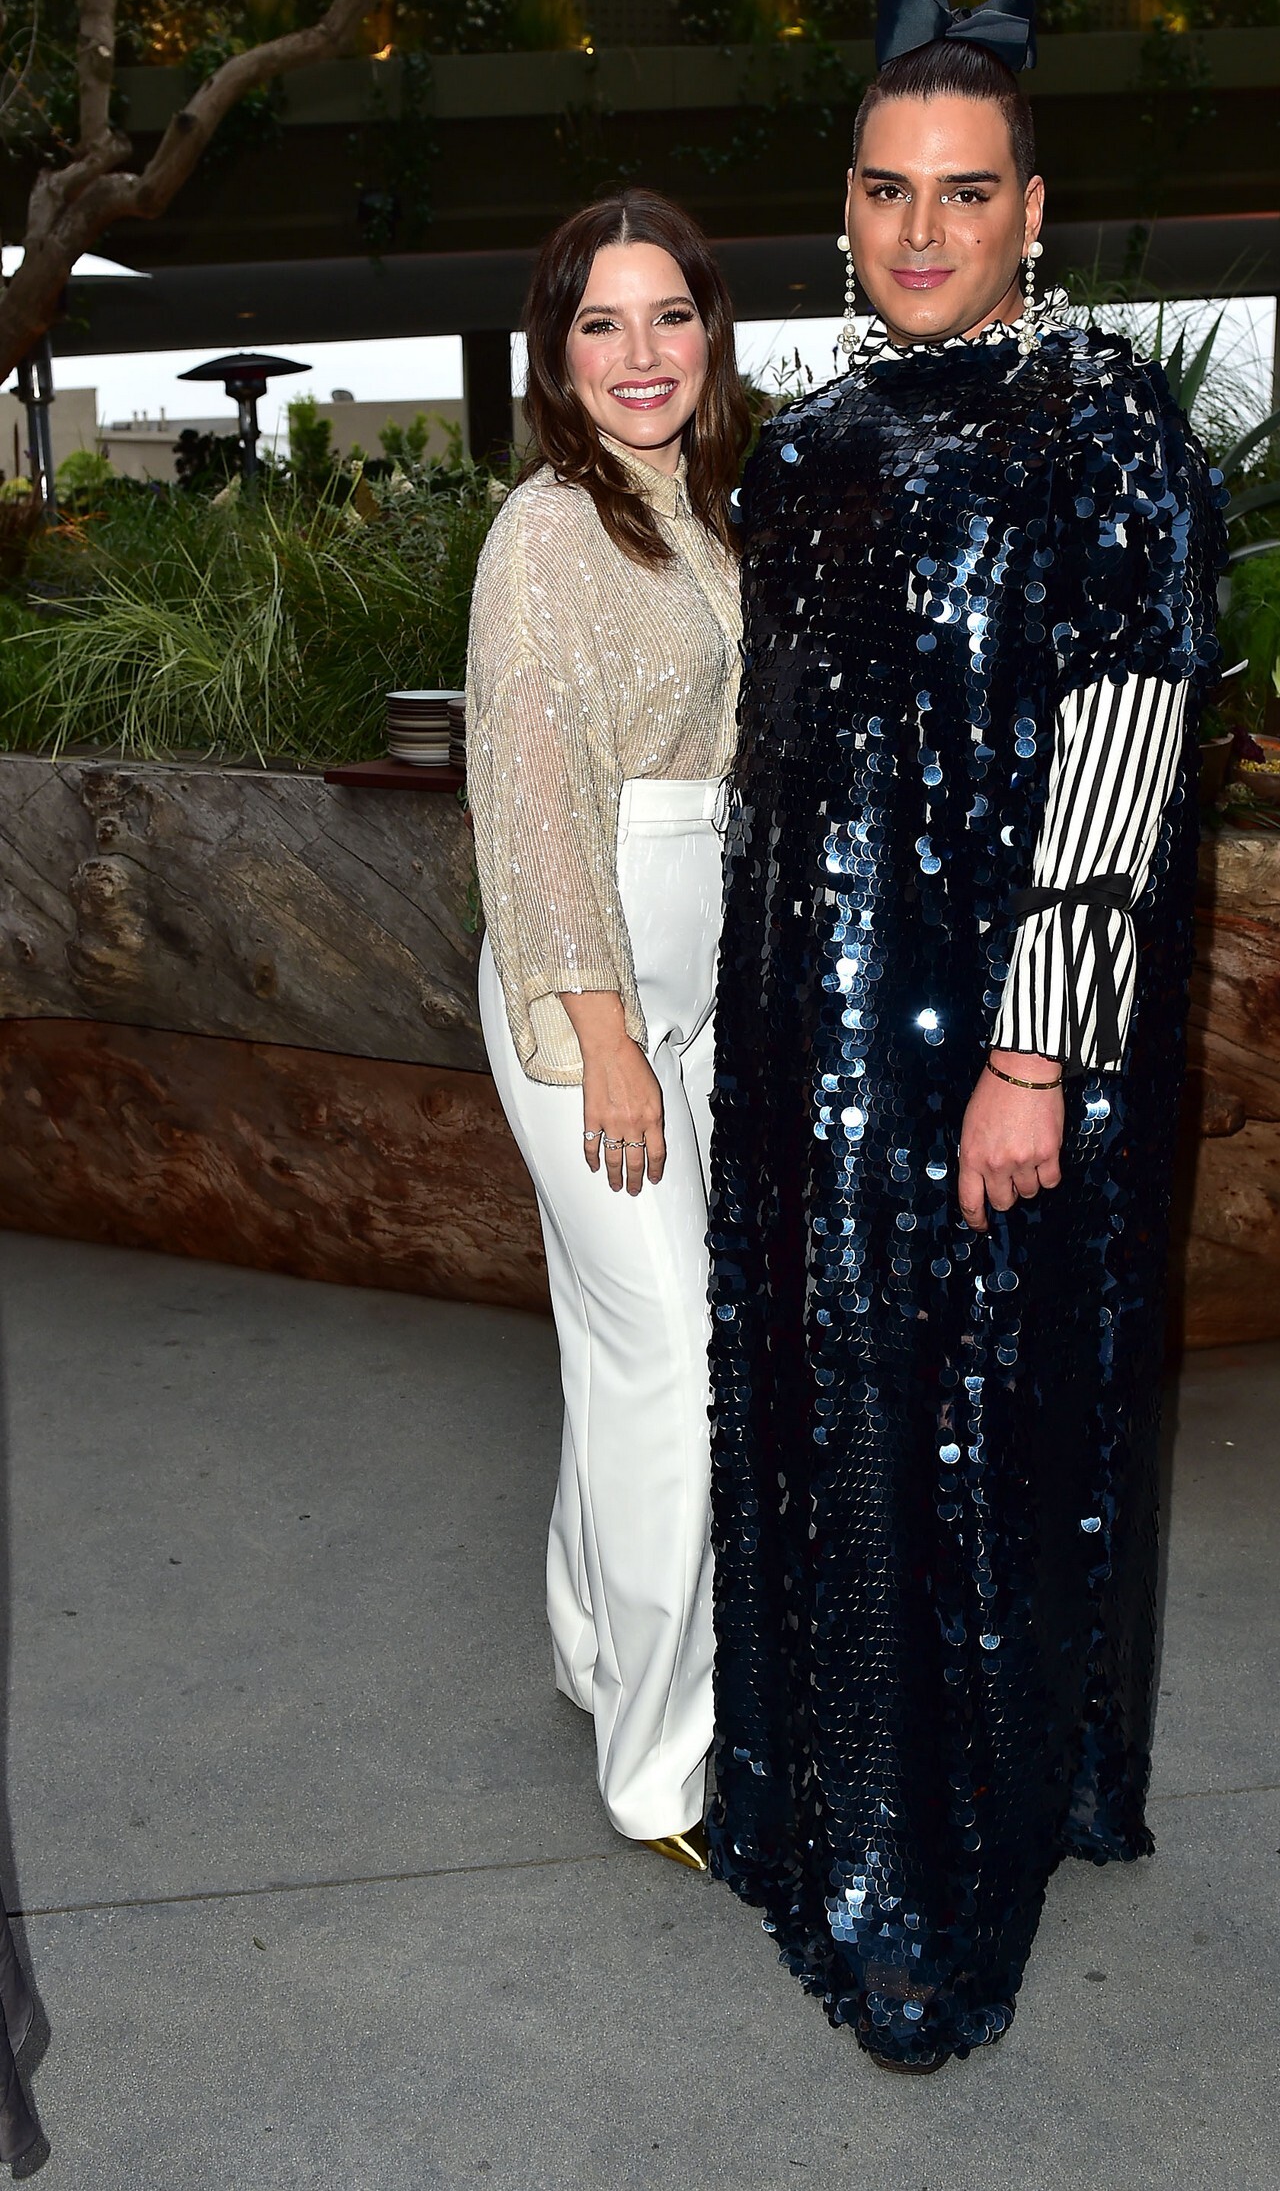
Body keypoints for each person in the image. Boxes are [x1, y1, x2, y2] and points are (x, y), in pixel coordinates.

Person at [706, 0, 1225, 2064]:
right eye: (884, 190)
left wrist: (1031, 1054)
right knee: (832, 1401)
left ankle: (927, 1884)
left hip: (981, 1039)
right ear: (842, 206)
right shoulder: (805, 445)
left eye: (964, 191)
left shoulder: (1102, 428)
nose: (919, 230)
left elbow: (1122, 744)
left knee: (977, 1422)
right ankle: (816, 1801)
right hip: (798, 1036)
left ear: (1033, 209)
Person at [466, 190, 747, 1868]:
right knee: (679, 1356)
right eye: (601, 323)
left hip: (696, 984)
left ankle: (591, 1644)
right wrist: (609, 1029)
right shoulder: (549, 531)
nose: (641, 354)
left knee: (619, 1342)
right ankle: (664, 1765)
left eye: (669, 315)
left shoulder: (701, 510)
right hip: (591, 996)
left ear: (710, 331)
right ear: (556, 354)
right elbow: (532, 798)